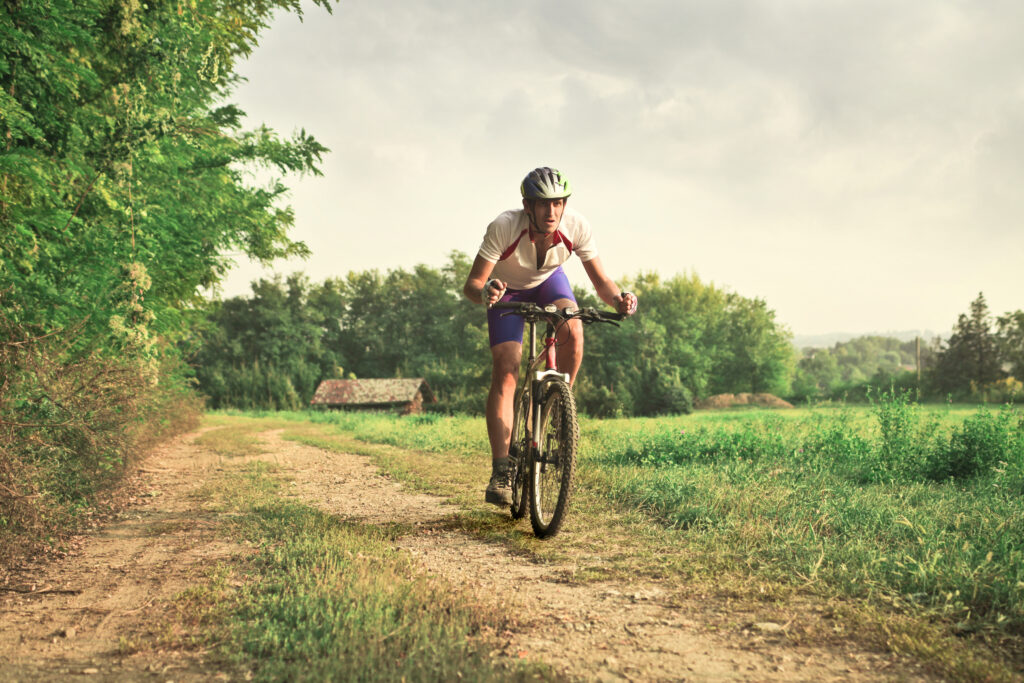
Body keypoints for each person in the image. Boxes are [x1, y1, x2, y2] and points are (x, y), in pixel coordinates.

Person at [462, 167, 638, 506]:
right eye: (543, 204)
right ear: (527, 205)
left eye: (558, 203)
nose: (551, 212)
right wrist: (487, 291)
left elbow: (601, 282)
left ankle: (560, 405)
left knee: (574, 328)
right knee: (507, 367)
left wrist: (618, 300)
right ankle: (502, 469)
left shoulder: (576, 227)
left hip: (548, 283)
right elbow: (472, 285)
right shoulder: (504, 226)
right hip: (506, 291)